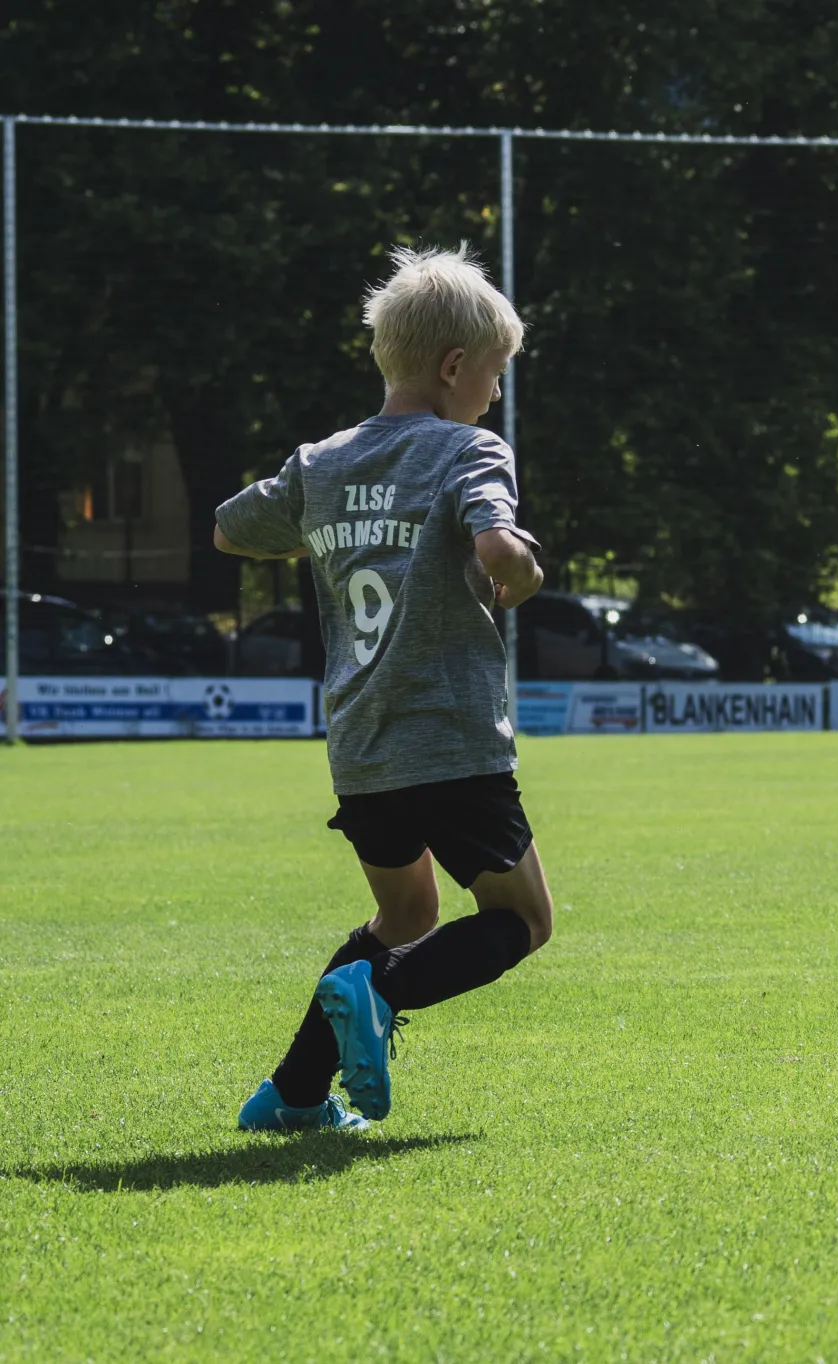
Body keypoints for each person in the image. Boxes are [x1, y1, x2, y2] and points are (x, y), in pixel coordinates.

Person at [216, 245, 554, 1132]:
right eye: (494, 374)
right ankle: (381, 991)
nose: (495, 394)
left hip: (360, 743)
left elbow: (230, 530)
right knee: (523, 921)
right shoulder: (469, 449)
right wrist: (518, 567)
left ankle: (292, 1096)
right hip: (448, 736)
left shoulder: (322, 462)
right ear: (454, 365)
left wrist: (335, 524)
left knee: (405, 910)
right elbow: (497, 544)